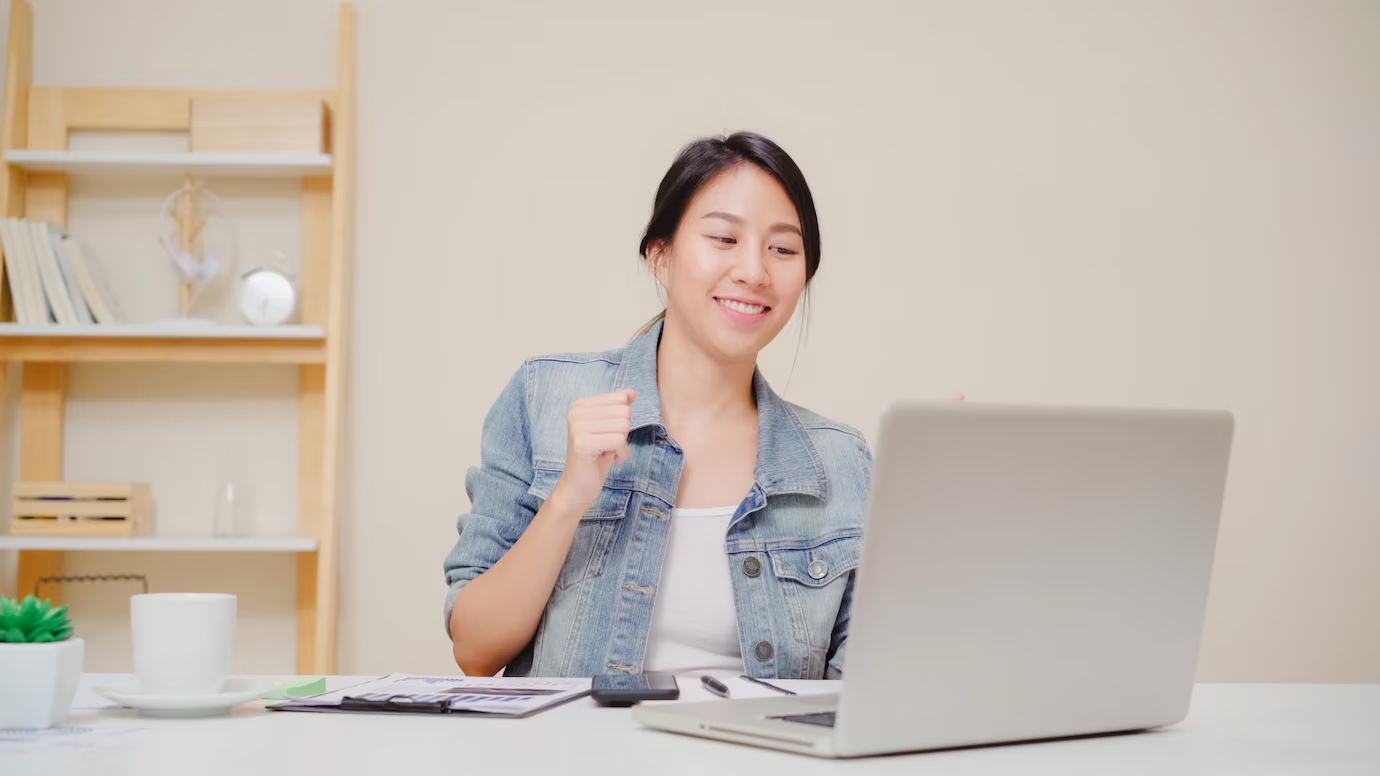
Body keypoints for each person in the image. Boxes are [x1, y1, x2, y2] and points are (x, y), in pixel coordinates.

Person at [442, 131, 871, 680]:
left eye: (783, 249)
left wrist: (935, 532)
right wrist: (570, 496)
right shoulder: (542, 397)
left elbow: (859, 694)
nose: (754, 271)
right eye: (723, 238)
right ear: (661, 257)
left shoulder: (841, 462)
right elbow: (475, 650)